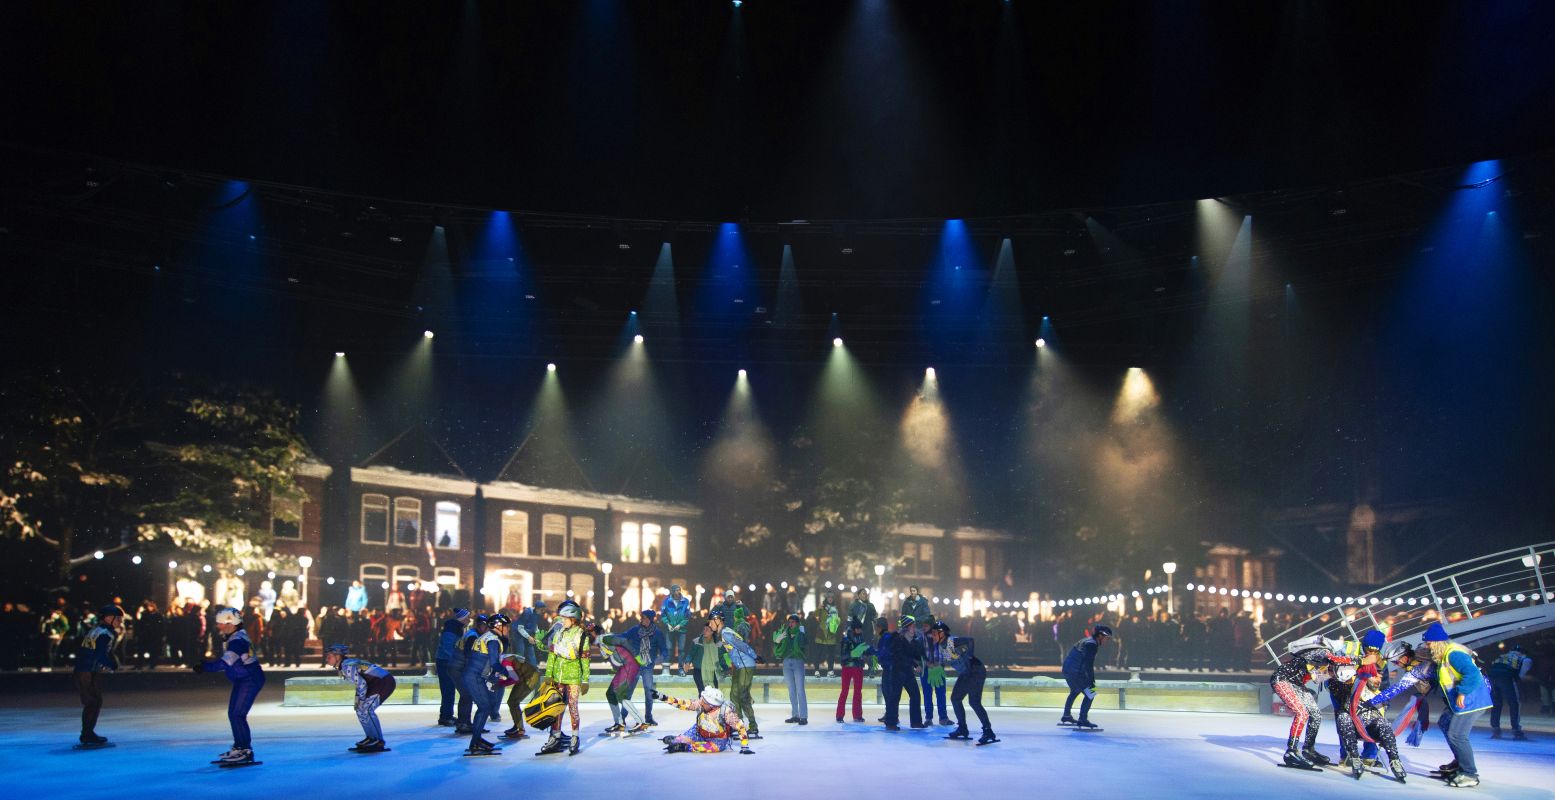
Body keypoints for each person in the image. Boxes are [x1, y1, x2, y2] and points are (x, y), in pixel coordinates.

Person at [1270, 636, 1355, 771]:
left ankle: (1308, 749)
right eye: (1334, 672)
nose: (1332, 674)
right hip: (1282, 679)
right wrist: (1359, 660)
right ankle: (1291, 751)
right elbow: (1335, 660)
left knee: (1315, 714)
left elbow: (1317, 676)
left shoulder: (1325, 663)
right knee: (1302, 713)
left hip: (1297, 683)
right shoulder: (1323, 652)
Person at [195, 607, 265, 766]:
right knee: (234, 713)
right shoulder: (236, 637)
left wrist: (204, 667)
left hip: (249, 679)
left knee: (237, 714)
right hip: (244, 679)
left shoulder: (237, 640)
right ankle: (240, 746)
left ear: (230, 623)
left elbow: (226, 662)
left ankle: (245, 750)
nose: (218, 626)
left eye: (221, 623)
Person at [535, 602, 591, 756]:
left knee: (573, 707)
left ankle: (575, 737)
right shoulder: (559, 632)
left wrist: (585, 679)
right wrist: (548, 674)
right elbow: (552, 655)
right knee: (557, 707)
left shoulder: (581, 635)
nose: (562, 621)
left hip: (573, 677)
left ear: (573, 618)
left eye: (565, 618)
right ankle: (556, 736)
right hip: (559, 677)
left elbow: (584, 659)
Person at [928, 621, 995, 744]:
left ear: (942, 633)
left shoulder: (951, 641)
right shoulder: (941, 647)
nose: (932, 635)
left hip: (976, 670)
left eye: (934, 633)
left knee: (974, 702)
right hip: (966, 673)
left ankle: (988, 731)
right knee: (955, 698)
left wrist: (969, 656)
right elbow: (942, 662)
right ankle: (963, 728)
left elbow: (970, 640)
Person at [322, 643, 396, 753]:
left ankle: (378, 741)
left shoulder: (347, 666)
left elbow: (361, 684)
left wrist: (360, 700)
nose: (327, 659)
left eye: (329, 656)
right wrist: (358, 702)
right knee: (360, 710)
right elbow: (361, 684)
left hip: (383, 682)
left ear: (338, 656)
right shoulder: (346, 664)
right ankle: (371, 738)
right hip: (377, 682)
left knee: (366, 710)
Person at [460, 613, 509, 756]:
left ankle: (477, 740)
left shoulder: (485, 636)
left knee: (485, 707)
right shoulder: (493, 640)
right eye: (506, 627)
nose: (507, 630)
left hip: (473, 676)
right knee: (485, 707)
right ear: (498, 626)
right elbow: (494, 663)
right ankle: (475, 742)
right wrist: (509, 673)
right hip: (474, 677)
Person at [74, 604, 123, 746]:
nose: (120, 621)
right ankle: (87, 734)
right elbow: (100, 654)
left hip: (86, 670)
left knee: (94, 701)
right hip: (87, 671)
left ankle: (88, 733)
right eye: (118, 618)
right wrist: (112, 664)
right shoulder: (105, 634)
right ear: (108, 618)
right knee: (93, 702)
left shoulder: (97, 630)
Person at [1351, 661, 1408, 783]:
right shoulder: (1358, 687)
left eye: (1380, 678)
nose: (1379, 680)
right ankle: (1354, 757)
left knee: (1384, 723)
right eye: (1376, 676)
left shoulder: (1381, 695)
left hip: (1373, 730)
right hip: (1356, 728)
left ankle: (1395, 761)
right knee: (1343, 719)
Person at [653, 687, 754, 754]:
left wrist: (745, 747)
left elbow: (740, 726)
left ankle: (684, 747)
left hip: (717, 740)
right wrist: (663, 698)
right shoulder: (700, 705)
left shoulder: (726, 712)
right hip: (698, 732)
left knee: (713, 749)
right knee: (676, 742)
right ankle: (678, 739)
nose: (701, 701)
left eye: (704, 701)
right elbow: (684, 704)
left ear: (712, 705)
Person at [712, 609, 761, 738]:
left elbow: (741, 645)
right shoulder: (722, 633)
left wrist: (755, 656)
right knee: (734, 695)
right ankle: (738, 724)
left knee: (742, 695)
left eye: (712, 621)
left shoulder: (726, 633)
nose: (710, 624)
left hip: (746, 665)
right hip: (739, 666)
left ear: (718, 621)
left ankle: (753, 726)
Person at [597, 626, 650, 735]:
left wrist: (636, 655)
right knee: (611, 693)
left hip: (629, 665)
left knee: (621, 695)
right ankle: (619, 724)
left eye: (589, 634)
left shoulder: (605, 638)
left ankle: (641, 722)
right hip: (624, 667)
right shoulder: (601, 643)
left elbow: (624, 641)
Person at [620, 609, 667, 725]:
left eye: (644, 618)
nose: (642, 619)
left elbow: (664, 650)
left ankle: (648, 717)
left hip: (647, 667)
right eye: (641, 617)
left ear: (650, 619)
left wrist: (658, 660)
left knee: (649, 692)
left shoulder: (657, 633)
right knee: (628, 692)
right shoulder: (635, 630)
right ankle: (622, 718)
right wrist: (609, 637)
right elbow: (623, 636)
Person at [1060, 623, 1111, 730]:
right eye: (1107, 638)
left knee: (1075, 691)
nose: (1107, 641)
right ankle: (1083, 719)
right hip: (1075, 671)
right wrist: (1092, 681)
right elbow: (1088, 664)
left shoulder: (1087, 640)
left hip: (1068, 669)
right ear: (1100, 636)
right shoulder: (1092, 644)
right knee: (1091, 693)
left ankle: (1066, 715)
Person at [884, 616, 924, 730]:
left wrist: (924, 658)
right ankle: (890, 722)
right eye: (912, 626)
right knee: (895, 696)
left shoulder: (913, 640)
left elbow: (916, 654)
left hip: (907, 672)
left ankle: (916, 722)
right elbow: (900, 656)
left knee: (915, 694)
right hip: (897, 671)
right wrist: (915, 664)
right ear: (906, 627)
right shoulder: (898, 639)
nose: (914, 628)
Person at [1488, 642, 1532, 740]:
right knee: (1514, 704)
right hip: (1506, 678)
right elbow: (1520, 675)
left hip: (1492, 677)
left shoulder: (1502, 656)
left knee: (1496, 703)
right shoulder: (1525, 659)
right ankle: (1516, 730)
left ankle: (1495, 729)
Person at [434, 607, 470, 727]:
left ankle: (447, 714)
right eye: (467, 618)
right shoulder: (451, 630)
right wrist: (456, 662)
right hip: (446, 663)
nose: (469, 620)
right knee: (448, 689)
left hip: (447, 662)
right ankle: (445, 716)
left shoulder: (456, 628)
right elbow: (448, 649)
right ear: (462, 619)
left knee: (449, 689)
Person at [773, 612, 808, 724]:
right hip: (787, 663)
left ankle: (803, 716)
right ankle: (795, 715)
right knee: (791, 690)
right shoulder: (785, 633)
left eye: (792, 622)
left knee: (800, 690)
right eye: (789, 622)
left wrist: (802, 634)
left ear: (797, 623)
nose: (790, 624)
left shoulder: (801, 633)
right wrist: (777, 640)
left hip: (798, 662)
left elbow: (804, 644)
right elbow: (777, 646)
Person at [918, 615, 951, 726]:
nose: (923, 628)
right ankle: (928, 718)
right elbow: (919, 653)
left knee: (941, 694)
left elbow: (945, 652)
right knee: (927, 694)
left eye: (926, 626)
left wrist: (939, 664)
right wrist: (926, 663)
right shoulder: (921, 637)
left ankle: (943, 718)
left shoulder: (939, 636)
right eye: (923, 626)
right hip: (926, 669)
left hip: (937, 669)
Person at [837, 620, 871, 723]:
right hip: (848, 667)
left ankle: (857, 715)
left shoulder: (861, 637)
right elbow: (843, 656)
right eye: (858, 629)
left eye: (860, 629)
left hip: (858, 667)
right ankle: (840, 715)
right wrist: (854, 653)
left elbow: (864, 651)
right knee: (845, 691)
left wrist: (865, 654)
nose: (859, 630)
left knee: (857, 692)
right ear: (853, 629)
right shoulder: (846, 639)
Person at [686, 623, 726, 693]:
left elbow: (721, 657)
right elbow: (690, 654)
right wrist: (687, 662)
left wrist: (725, 667)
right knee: (702, 693)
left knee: (714, 693)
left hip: (714, 672)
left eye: (707, 630)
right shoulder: (697, 641)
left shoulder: (719, 644)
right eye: (704, 629)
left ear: (712, 632)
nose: (704, 631)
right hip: (699, 671)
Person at [661, 586, 691, 675]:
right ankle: (666, 669)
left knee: (681, 649)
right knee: (669, 649)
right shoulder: (666, 601)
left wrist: (680, 625)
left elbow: (687, 615)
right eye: (676, 590)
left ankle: (681, 669)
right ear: (672, 592)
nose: (678, 592)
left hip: (682, 629)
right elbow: (663, 615)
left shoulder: (685, 601)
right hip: (669, 629)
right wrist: (668, 624)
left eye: (679, 590)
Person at [813, 595, 841, 677]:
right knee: (818, 653)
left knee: (831, 654)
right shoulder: (822, 608)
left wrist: (837, 622)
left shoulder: (835, 609)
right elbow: (815, 614)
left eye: (832, 597)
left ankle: (830, 671)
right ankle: (816, 670)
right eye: (829, 597)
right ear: (826, 598)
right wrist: (819, 608)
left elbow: (837, 620)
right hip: (821, 633)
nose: (830, 599)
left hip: (831, 633)